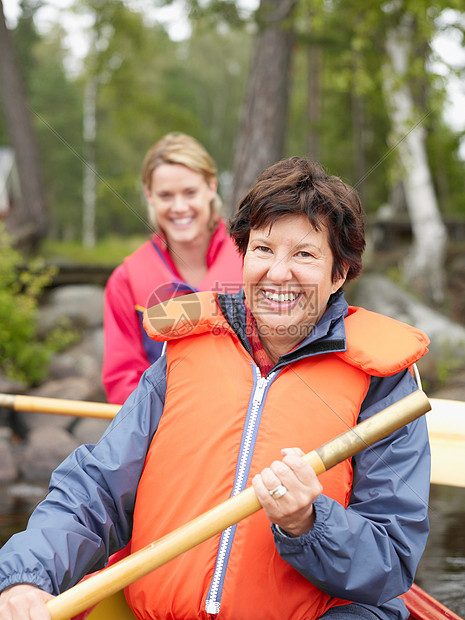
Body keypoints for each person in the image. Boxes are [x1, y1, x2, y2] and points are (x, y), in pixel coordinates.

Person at [0, 157, 431, 620]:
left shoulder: (385, 385)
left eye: (304, 255)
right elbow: (98, 487)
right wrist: (27, 574)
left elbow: (391, 563)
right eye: (263, 250)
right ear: (243, 258)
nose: (278, 273)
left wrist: (309, 523)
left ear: (339, 274)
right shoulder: (184, 352)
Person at [102, 132, 243, 404]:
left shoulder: (254, 259)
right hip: (162, 427)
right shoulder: (125, 281)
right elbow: (123, 381)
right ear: (149, 195)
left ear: (211, 187)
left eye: (190, 192)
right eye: (166, 195)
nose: (179, 207)